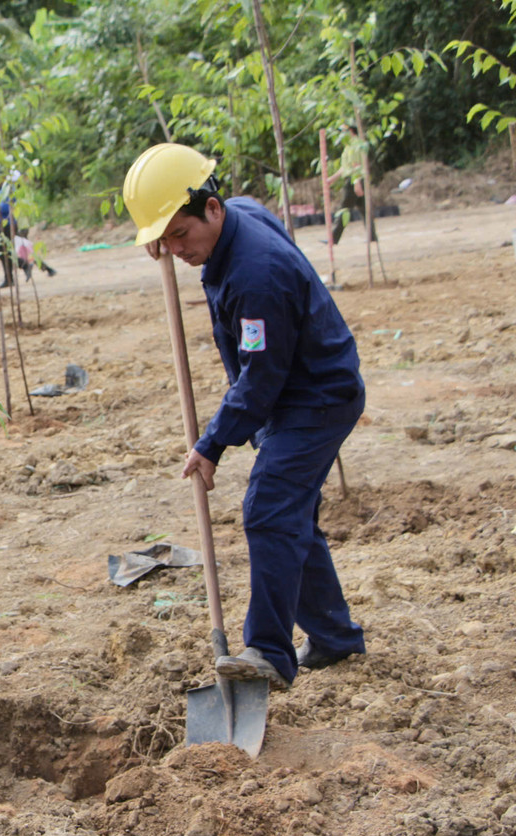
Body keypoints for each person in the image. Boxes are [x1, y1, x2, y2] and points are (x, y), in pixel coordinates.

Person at [123, 142, 367, 691]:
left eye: (179, 235)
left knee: (268, 509)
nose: (174, 250)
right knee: (292, 517)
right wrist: (168, 237)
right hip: (292, 391)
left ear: (212, 209)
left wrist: (212, 443)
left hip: (315, 398)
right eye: (163, 240)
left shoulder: (256, 273)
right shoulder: (237, 215)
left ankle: (269, 654)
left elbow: (261, 380)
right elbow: (246, 206)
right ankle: (333, 637)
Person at [328, 125, 377, 246]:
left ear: (350, 131)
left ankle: (333, 238)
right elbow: (346, 166)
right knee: (365, 209)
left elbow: (356, 166)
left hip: (354, 180)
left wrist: (356, 183)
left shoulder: (356, 145)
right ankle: (372, 236)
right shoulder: (349, 146)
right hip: (356, 179)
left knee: (343, 209)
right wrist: (332, 178)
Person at [0, 196, 17, 288]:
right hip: (2, 224)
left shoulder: (7, 189)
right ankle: (9, 278)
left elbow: (6, 208)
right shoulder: (0, 190)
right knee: (5, 252)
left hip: (6, 225)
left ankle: (24, 266)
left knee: (4, 251)